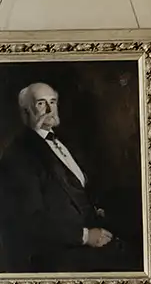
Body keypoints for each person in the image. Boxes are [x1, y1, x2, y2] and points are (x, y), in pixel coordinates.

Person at [0, 82, 139, 273]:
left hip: (92, 236)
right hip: (56, 254)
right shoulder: (19, 155)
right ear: (26, 111)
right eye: (41, 103)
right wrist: (85, 236)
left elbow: (80, 189)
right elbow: (31, 220)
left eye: (53, 101)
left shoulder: (64, 141)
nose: (50, 109)